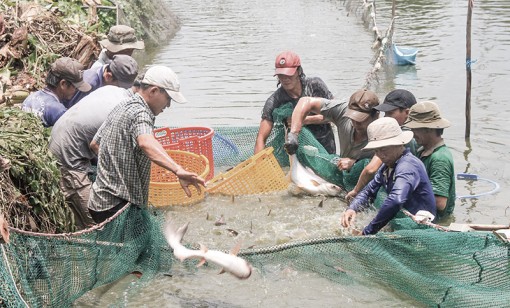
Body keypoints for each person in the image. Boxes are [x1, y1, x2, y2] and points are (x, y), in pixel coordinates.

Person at [87, 65, 206, 223]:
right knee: (139, 246)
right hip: (118, 207)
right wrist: (178, 170)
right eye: (168, 98)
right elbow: (145, 142)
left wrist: (119, 169)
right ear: (154, 91)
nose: (169, 105)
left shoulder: (123, 105)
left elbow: (95, 143)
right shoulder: (141, 113)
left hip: (99, 201)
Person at [49, 83, 139, 228]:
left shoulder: (112, 89)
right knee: (97, 221)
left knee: (80, 217)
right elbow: (96, 146)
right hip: (68, 158)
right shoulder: (124, 109)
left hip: (58, 139)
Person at [341, 117, 437, 235]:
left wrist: (368, 232)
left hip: (420, 228)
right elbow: (370, 190)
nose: (380, 155)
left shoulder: (407, 166)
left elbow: (396, 200)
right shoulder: (388, 166)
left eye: (384, 149)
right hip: (404, 223)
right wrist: (353, 208)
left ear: (399, 144)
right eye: (376, 150)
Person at [255, 51, 336, 154]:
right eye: (281, 75)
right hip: (297, 150)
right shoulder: (275, 101)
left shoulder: (315, 86)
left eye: (289, 74)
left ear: (298, 71)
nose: (285, 79)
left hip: (325, 146)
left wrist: (303, 120)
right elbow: (261, 138)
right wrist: (259, 164)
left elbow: (335, 117)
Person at [345, 89, 417, 202]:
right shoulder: (416, 131)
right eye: (384, 113)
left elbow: (371, 169)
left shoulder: (402, 136)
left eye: (390, 113)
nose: (385, 117)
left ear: (407, 113)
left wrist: (356, 191)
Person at [285, 89, 380, 175]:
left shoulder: (383, 133)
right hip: (342, 171)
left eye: (361, 119)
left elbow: (379, 166)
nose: (356, 123)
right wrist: (294, 133)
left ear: (376, 115)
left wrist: (355, 163)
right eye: (352, 118)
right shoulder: (342, 110)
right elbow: (306, 101)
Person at [403, 101, 456, 219]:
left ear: (428, 129)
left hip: (433, 221)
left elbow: (439, 203)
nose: (413, 134)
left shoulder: (439, 159)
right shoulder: (422, 150)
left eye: (415, 129)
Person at [21, 57, 91, 127]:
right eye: (75, 87)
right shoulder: (58, 110)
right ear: (63, 84)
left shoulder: (31, 98)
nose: (76, 91)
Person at [66, 54, 138, 108]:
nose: (123, 90)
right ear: (108, 76)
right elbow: (71, 109)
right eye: (120, 86)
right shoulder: (89, 84)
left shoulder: (106, 71)